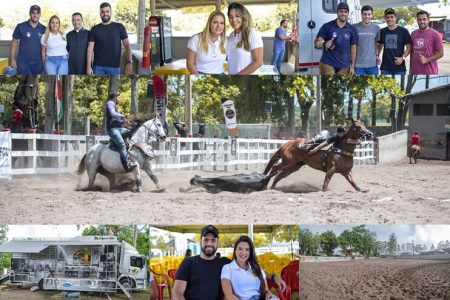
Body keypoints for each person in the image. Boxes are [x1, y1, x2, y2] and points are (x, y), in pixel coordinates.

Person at [172, 225, 286, 300]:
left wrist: (274, 276)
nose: (209, 243)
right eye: (206, 239)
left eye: (213, 240)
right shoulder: (189, 262)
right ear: (200, 241)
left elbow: (251, 268)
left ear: (217, 243)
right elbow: (177, 292)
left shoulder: (225, 263)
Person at [87, 2, 132, 75]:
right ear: (100, 13)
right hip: (98, 67)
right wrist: (88, 66)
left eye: (107, 11)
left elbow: (127, 46)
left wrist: (129, 62)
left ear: (111, 12)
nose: (105, 14)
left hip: (114, 67)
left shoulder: (119, 27)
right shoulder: (94, 29)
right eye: (102, 12)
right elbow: (90, 49)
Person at [221, 235, 270, 300]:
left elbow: (266, 290)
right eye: (240, 249)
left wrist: (268, 294)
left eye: (247, 250)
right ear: (235, 250)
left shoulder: (256, 267)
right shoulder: (227, 268)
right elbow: (228, 295)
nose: (243, 252)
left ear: (250, 252)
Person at [314, 2, 357, 75]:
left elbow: (353, 48)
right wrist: (324, 43)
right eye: (341, 11)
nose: (343, 14)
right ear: (337, 12)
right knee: (328, 85)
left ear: (348, 13)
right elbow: (317, 42)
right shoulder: (327, 26)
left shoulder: (352, 29)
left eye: (345, 12)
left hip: (344, 66)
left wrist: (352, 67)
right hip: (327, 64)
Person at [226, 2, 263, 75]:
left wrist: (238, 77)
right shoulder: (231, 36)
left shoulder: (253, 34)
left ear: (243, 17)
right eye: (231, 17)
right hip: (232, 82)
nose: (234, 20)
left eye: (237, 16)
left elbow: (258, 62)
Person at [187, 11, 227, 75]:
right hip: (201, 74)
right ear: (209, 23)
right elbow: (190, 63)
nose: (219, 26)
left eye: (222, 23)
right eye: (215, 22)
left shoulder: (226, 41)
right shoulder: (196, 39)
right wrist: (198, 78)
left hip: (221, 74)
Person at [10, 5, 46, 75]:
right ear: (30, 13)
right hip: (23, 63)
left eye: (37, 13)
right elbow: (14, 42)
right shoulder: (20, 26)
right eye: (33, 13)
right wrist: (12, 59)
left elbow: (46, 46)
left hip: (38, 64)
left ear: (40, 14)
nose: (35, 15)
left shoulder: (44, 28)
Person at [105, 92, 136, 171]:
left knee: (131, 133)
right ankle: (128, 163)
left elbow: (116, 119)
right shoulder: (110, 103)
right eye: (118, 97)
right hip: (113, 130)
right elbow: (113, 114)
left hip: (119, 129)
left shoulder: (114, 106)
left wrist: (124, 122)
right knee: (122, 145)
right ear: (115, 97)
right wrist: (122, 116)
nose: (119, 99)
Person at [377, 8, 412, 75]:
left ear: (395, 18)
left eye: (392, 17)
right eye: (387, 17)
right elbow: (380, 45)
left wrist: (402, 58)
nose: (390, 19)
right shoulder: (382, 31)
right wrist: (377, 56)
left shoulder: (403, 31)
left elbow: (409, 47)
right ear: (385, 18)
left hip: (399, 68)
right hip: (385, 68)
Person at [410, 10, 444, 75]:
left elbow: (441, 53)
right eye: (419, 19)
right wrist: (411, 69)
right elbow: (412, 52)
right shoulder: (413, 34)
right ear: (417, 20)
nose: (422, 21)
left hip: (429, 72)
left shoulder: (435, 34)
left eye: (424, 19)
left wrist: (427, 59)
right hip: (415, 72)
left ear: (428, 20)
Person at [354, 5, 380, 75]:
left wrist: (377, 56)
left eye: (369, 14)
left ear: (372, 15)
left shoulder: (376, 28)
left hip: (372, 65)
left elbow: (376, 44)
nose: (367, 16)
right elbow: (352, 45)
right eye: (364, 14)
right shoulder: (354, 27)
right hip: (358, 65)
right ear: (361, 15)